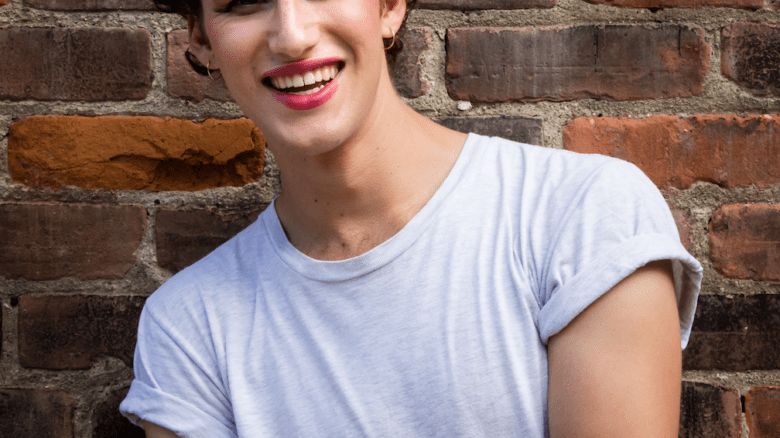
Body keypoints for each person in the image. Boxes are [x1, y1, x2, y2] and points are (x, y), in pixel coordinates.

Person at [120, 0, 703, 436]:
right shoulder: (189, 328)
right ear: (202, 37)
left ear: (390, 5)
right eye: (245, 0)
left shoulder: (583, 216)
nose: (293, 35)